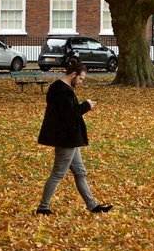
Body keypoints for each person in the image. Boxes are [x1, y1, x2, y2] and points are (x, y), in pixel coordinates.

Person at [35, 57, 112, 215]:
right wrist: (86, 106)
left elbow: (68, 113)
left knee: (80, 172)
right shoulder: (62, 92)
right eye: (81, 79)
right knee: (58, 173)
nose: (81, 82)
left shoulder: (62, 90)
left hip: (71, 138)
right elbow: (70, 115)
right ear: (73, 74)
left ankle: (92, 206)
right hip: (66, 138)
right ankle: (43, 207)